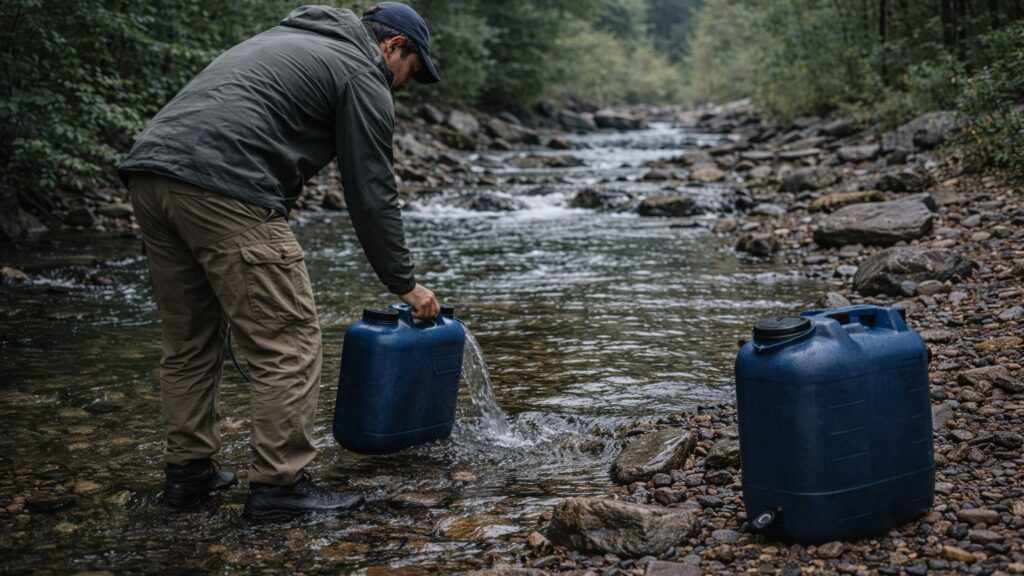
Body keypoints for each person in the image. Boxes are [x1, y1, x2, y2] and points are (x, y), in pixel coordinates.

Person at [117, 2, 441, 520]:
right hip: (227, 187)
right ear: (393, 46)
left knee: (190, 341)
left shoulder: (285, 41)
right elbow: (371, 191)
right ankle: (279, 488)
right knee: (287, 341)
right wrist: (404, 283)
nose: (405, 85)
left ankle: (190, 476)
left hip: (151, 178)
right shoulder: (363, 70)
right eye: (412, 71)